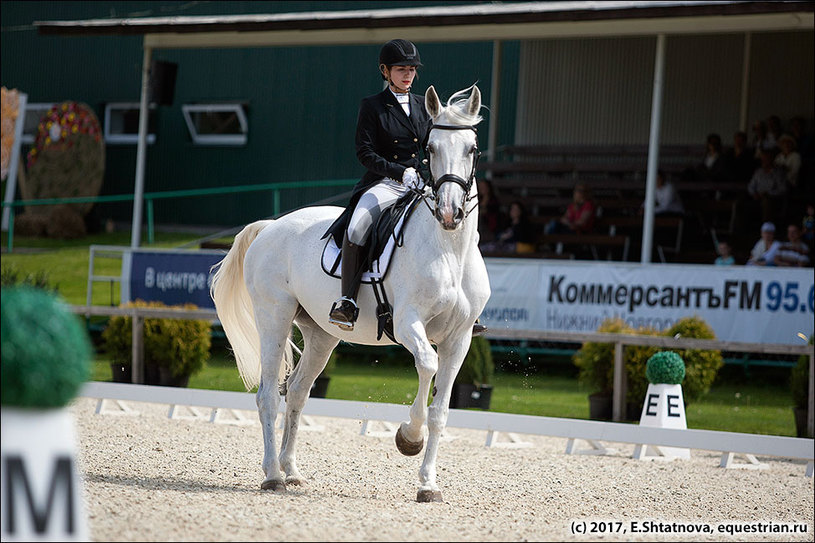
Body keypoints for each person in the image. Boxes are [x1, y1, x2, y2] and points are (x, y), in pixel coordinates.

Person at [323, 39, 432, 331]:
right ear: (385, 71)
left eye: (411, 69)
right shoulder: (373, 106)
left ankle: (464, 309)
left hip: (420, 183)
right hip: (386, 183)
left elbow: (432, 145)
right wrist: (400, 172)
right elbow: (365, 153)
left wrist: (424, 173)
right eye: (401, 69)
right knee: (358, 224)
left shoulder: (424, 105)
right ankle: (347, 301)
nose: (407, 75)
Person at [746, 148, 786, 227]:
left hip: (772, 199)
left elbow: (783, 189)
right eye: (762, 159)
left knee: (766, 201)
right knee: (740, 203)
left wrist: (768, 193)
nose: (764, 161)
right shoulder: (758, 172)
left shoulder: (778, 173)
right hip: (756, 198)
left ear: (771, 160)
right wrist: (754, 193)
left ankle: (766, 228)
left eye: (766, 159)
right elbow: (751, 186)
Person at [477, 179, 503, 243]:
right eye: (480, 187)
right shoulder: (477, 199)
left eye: (484, 187)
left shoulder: (494, 201)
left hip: (490, 229)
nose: (482, 189)